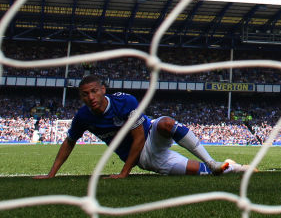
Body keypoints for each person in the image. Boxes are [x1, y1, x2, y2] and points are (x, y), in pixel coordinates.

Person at [36, 75, 247, 178]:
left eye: (94, 91)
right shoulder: (83, 117)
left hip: (150, 134)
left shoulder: (125, 102)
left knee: (166, 123)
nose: (90, 97)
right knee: (205, 174)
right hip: (147, 158)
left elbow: (139, 137)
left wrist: (124, 173)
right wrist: (51, 174)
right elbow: (69, 142)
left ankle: (211, 161)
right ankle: (233, 167)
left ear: (103, 89)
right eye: (85, 94)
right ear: (80, 97)